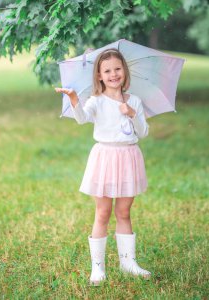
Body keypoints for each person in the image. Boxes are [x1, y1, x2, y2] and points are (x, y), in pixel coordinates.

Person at [55, 48, 151, 286]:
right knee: (103, 212)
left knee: (124, 212)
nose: (113, 74)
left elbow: (144, 131)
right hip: (105, 158)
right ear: (99, 75)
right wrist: (75, 100)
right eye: (107, 70)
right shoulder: (96, 101)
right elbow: (82, 118)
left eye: (117, 69)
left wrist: (132, 114)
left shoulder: (135, 101)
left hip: (129, 157)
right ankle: (97, 268)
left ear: (124, 72)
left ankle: (128, 262)